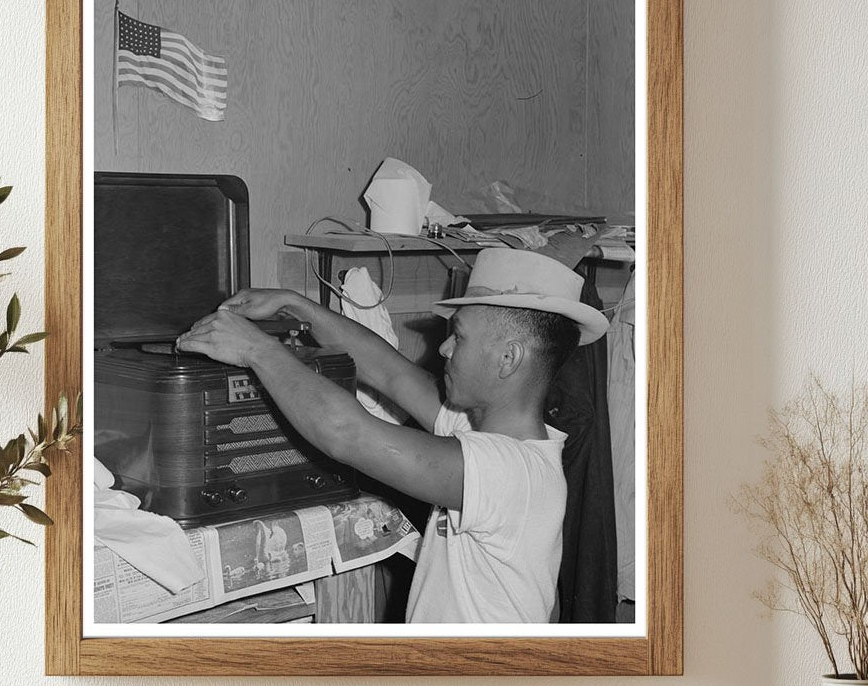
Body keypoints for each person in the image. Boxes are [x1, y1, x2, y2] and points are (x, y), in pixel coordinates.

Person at [176, 248, 609, 624]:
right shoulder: (484, 433)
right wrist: (296, 305)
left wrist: (256, 349)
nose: (443, 349)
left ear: (508, 358)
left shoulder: (510, 471)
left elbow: (347, 434)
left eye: (458, 337)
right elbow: (392, 373)